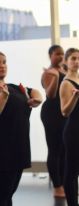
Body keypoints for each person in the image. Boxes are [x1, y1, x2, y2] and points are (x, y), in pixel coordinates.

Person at [0, 51, 43, 206]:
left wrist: (38, 99)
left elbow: (33, 91)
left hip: (18, 148)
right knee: (1, 196)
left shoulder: (13, 87)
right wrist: (3, 96)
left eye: (4, 62)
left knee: (8, 197)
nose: (2, 65)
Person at [41, 45, 67, 197]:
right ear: (50, 55)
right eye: (57, 54)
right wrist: (56, 76)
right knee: (55, 150)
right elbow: (51, 94)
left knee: (64, 150)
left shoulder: (66, 71)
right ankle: (57, 187)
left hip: (64, 113)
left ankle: (63, 184)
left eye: (62, 53)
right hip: (52, 113)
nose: (60, 56)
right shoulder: (49, 73)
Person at [59, 48, 79, 206]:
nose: (77, 61)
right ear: (66, 61)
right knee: (71, 170)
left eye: (78, 58)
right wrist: (75, 97)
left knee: (76, 171)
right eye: (73, 58)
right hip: (73, 131)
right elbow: (65, 112)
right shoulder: (66, 83)